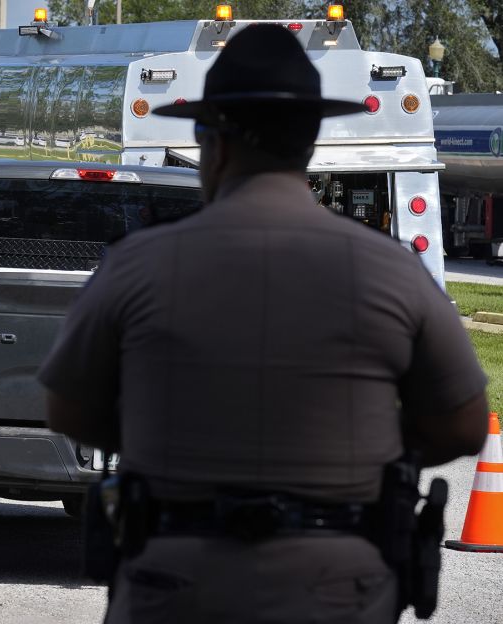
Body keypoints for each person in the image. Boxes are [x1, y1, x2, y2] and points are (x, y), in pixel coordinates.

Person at [39, 25, 488, 624]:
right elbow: (462, 426)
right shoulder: (392, 273)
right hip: (336, 589)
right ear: (307, 146)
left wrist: (168, 432)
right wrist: (365, 446)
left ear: (215, 144)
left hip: (176, 585)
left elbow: (67, 409)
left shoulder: (138, 266)